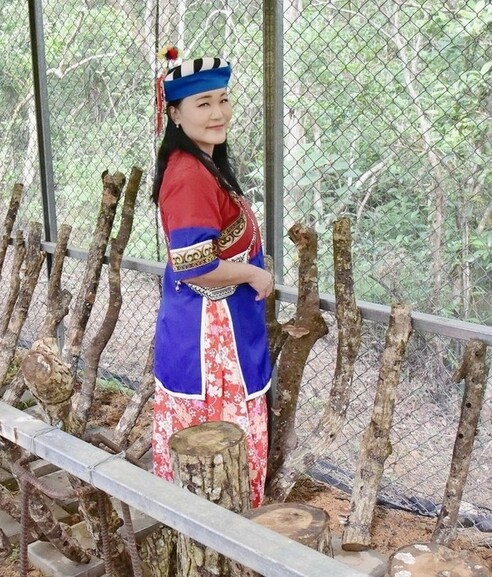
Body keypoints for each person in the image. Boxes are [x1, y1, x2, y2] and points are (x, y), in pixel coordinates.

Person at [151, 55, 273, 508]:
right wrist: (254, 273)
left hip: (222, 326)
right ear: (175, 114)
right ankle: (219, 531)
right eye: (203, 103)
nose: (218, 112)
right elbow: (195, 264)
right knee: (217, 443)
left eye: (223, 100)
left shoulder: (204, 164)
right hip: (212, 341)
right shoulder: (188, 175)